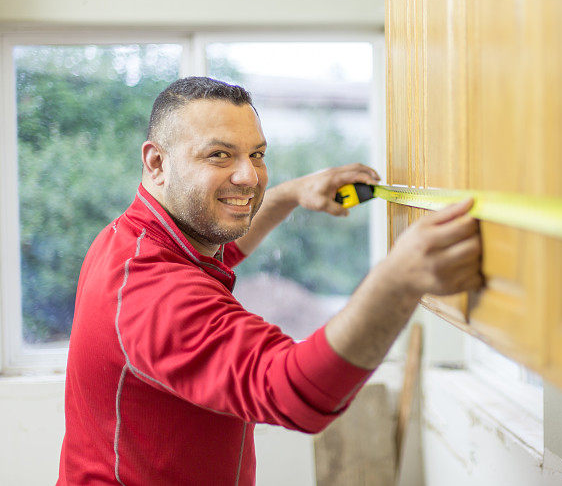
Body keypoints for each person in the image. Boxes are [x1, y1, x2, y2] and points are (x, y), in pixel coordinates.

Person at [57, 77, 482, 485]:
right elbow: (296, 393)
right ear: (156, 162)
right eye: (219, 155)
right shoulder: (151, 290)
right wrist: (398, 280)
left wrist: (291, 194)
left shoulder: (132, 239)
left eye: (257, 154)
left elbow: (226, 248)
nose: (249, 176)